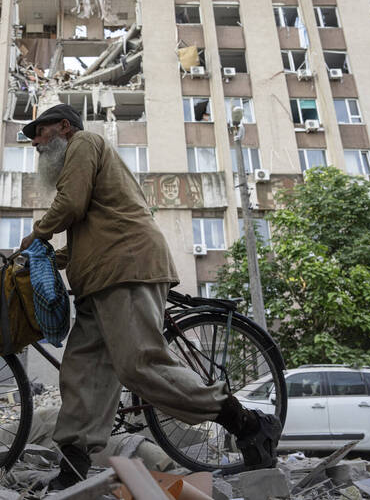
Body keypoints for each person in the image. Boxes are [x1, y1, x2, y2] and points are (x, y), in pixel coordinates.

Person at [18, 104, 282, 490]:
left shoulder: (84, 143)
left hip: (127, 266)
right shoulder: (85, 162)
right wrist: (52, 259)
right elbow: (90, 225)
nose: (36, 143)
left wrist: (37, 234)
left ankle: (248, 423)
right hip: (100, 278)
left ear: (63, 126)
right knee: (83, 371)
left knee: (138, 364)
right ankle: (73, 465)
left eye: (39, 133)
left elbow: (71, 204)